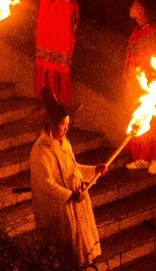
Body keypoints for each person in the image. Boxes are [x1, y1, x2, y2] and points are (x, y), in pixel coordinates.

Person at [30, 87, 105, 266]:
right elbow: (46, 183)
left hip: (75, 200)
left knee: (78, 241)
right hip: (58, 207)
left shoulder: (64, 143)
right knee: (63, 245)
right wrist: (69, 195)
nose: (65, 129)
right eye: (61, 126)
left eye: (67, 125)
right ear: (50, 126)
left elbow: (73, 168)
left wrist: (93, 170)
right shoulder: (41, 151)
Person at [31, 0, 78, 105]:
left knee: (58, 73)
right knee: (45, 71)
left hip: (60, 37)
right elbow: (45, 6)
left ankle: (60, 108)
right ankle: (45, 106)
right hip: (47, 36)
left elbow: (61, 11)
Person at [124, 0, 156, 173]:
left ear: (142, 9)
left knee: (153, 120)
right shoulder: (135, 32)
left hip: (150, 84)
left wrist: (150, 80)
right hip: (136, 85)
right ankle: (141, 157)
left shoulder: (154, 31)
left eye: (133, 5)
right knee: (138, 118)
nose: (130, 8)